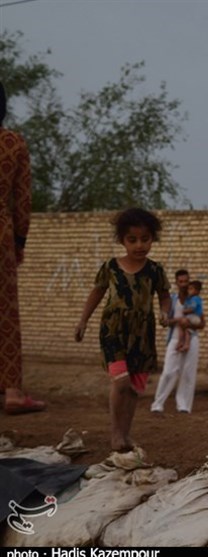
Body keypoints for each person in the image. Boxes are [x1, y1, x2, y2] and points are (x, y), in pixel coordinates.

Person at [75, 207, 171, 452]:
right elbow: (97, 293)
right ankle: (116, 434)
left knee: (134, 389)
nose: (139, 245)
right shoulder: (111, 267)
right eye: (132, 239)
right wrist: (83, 320)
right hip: (113, 331)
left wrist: (165, 313)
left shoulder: (155, 270)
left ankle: (126, 435)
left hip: (142, 335)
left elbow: (164, 296)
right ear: (122, 240)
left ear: (152, 238)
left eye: (145, 239)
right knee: (121, 382)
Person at [0, 81, 47, 415]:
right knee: (5, 312)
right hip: (1, 233)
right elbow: (23, 200)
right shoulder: (13, 143)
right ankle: (13, 392)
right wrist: (19, 241)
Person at [150, 269, 206, 414]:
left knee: (188, 373)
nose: (184, 284)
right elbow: (165, 322)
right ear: (176, 283)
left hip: (192, 338)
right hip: (174, 339)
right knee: (168, 372)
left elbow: (202, 323)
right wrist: (177, 320)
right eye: (181, 281)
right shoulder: (173, 300)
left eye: (186, 281)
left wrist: (189, 324)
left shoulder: (195, 299)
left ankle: (184, 406)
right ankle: (157, 405)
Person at [176, 279, 203, 353]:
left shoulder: (196, 298)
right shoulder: (190, 298)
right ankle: (183, 343)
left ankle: (183, 343)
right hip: (192, 317)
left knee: (184, 325)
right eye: (188, 289)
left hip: (195, 317)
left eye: (191, 289)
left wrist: (185, 311)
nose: (188, 291)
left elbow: (192, 309)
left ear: (197, 291)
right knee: (185, 328)